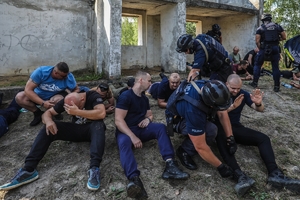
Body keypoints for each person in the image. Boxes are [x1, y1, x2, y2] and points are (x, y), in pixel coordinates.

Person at [0, 91, 106, 191]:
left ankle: (94, 169)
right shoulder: (66, 100)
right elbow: (47, 113)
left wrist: (78, 111)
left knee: (99, 125)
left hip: (92, 130)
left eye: (75, 107)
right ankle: (29, 169)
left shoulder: (92, 95)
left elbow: (101, 113)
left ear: (82, 100)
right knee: (48, 127)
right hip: (76, 129)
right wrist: (49, 121)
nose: (70, 111)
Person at [214, 74, 300, 196]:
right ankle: (240, 176)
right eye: (233, 88)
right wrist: (232, 107)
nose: (236, 91)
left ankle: (275, 174)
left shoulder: (242, 94)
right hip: (219, 128)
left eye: (238, 88)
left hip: (236, 127)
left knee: (263, 139)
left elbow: (259, 109)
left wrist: (258, 103)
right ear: (226, 84)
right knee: (224, 141)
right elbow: (216, 113)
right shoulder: (218, 92)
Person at [115, 71, 189, 199]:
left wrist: (148, 120)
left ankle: (170, 164)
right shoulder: (126, 96)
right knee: (124, 143)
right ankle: (134, 180)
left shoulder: (144, 98)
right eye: (149, 81)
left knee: (161, 127)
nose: (151, 83)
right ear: (140, 81)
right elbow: (118, 121)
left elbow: (149, 114)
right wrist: (133, 137)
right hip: (126, 131)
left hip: (140, 129)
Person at [167, 80, 234, 178]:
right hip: (176, 119)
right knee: (210, 130)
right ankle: (184, 151)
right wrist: (221, 167)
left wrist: (230, 137)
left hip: (184, 108)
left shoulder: (208, 85)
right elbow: (200, 147)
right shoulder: (194, 112)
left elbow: (222, 112)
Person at [15, 62, 78, 126]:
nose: (66, 77)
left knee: (57, 100)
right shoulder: (41, 72)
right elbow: (28, 90)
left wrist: (71, 97)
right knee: (20, 97)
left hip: (55, 95)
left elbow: (76, 89)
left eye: (67, 75)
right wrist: (43, 103)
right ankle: (37, 113)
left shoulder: (68, 76)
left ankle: (55, 112)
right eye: (63, 76)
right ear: (55, 73)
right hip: (39, 94)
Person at [249, 13, 287, 92]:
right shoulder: (277, 26)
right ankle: (276, 87)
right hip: (275, 48)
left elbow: (257, 41)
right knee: (275, 67)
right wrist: (276, 40)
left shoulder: (260, 28)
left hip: (264, 48)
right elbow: (284, 37)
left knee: (257, 65)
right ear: (270, 19)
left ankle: (254, 83)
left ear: (263, 20)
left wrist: (260, 48)